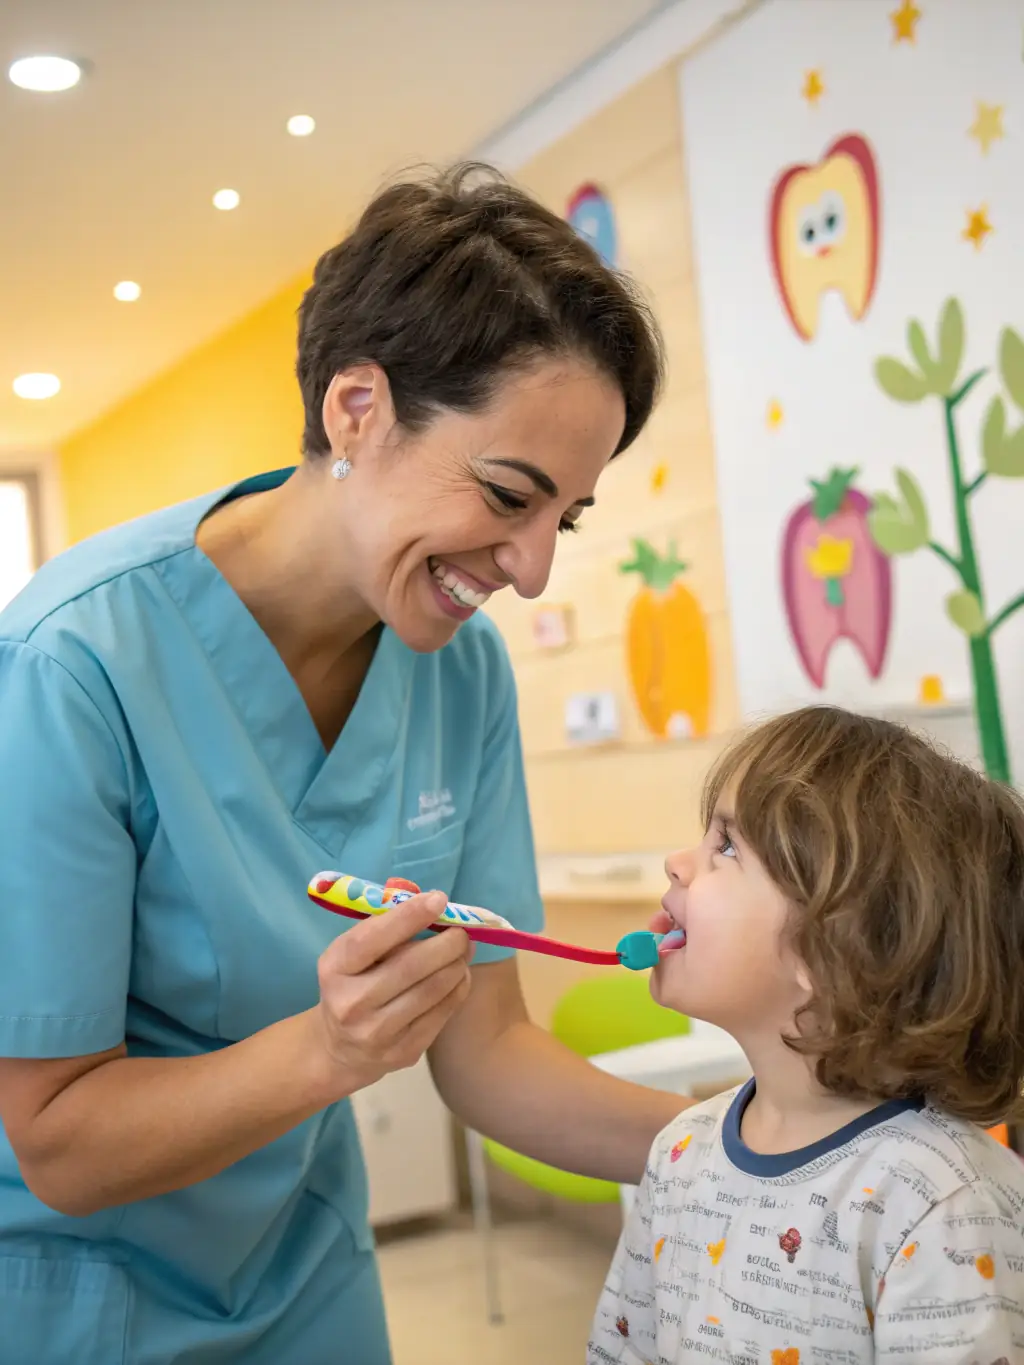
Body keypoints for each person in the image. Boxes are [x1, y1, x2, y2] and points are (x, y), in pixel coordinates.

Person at [0, 162, 689, 1365]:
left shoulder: (456, 672)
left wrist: (746, 1144)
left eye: (562, 521)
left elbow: (487, 1052)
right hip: (76, 1294)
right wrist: (331, 1051)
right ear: (356, 408)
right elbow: (55, 1136)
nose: (530, 572)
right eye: (508, 495)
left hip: (304, 1272)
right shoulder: (73, 665)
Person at [589, 706, 1024, 1364]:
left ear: (832, 948)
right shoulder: (679, 1155)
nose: (677, 863)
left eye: (726, 846)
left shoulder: (938, 1198)